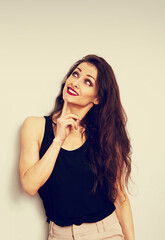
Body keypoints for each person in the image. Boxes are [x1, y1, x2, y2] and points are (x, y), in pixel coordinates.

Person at [19, 54, 135, 240]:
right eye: (75, 74)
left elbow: (120, 197)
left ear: (97, 98)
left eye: (87, 82)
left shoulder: (106, 137)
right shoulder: (35, 126)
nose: (75, 82)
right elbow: (30, 186)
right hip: (59, 235)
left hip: (106, 233)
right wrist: (58, 140)